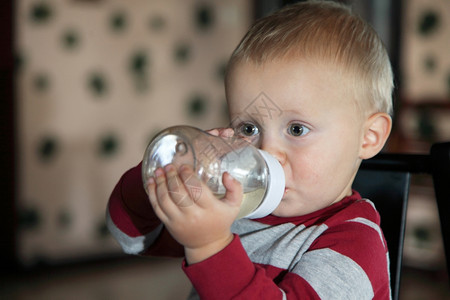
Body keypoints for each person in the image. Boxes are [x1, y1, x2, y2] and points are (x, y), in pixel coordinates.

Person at [106, 1, 394, 299]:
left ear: (368, 137)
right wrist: (164, 176)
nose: (267, 152)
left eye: (297, 129)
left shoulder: (354, 244)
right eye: (249, 129)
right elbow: (131, 236)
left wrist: (209, 246)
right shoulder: (236, 206)